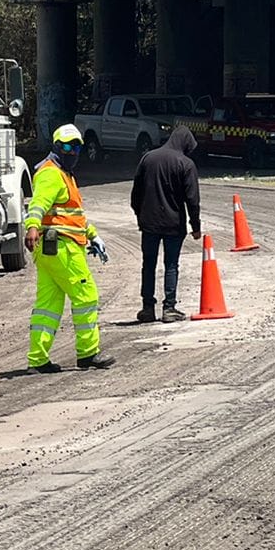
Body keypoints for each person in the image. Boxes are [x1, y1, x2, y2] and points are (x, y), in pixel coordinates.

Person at [24, 124, 116, 374]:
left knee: (49, 305)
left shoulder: (65, 175)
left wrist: (93, 235)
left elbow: (72, 215)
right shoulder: (51, 173)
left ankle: (37, 359)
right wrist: (32, 225)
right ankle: (88, 354)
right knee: (86, 297)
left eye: (76, 146)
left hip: (55, 248)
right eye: (66, 146)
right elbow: (38, 204)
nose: (72, 151)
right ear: (56, 147)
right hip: (62, 247)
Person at [130, 124, 202, 323]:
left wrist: (140, 215)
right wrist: (195, 226)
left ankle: (147, 308)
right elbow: (192, 199)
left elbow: (136, 192)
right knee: (171, 265)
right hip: (173, 224)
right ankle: (169, 308)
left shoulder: (148, 158)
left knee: (148, 264)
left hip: (149, 223)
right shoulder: (185, 164)